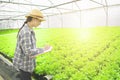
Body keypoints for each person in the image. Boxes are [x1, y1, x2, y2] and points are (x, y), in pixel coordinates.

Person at [13, 9, 52, 80]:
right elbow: (28, 52)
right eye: (39, 21)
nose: (40, 23)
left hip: (26, 63)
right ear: (34, 19)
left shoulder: (29, 29)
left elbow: (29, 49)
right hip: (24, 65)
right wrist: (44, 49)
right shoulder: (26, 32)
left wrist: (41, 50)